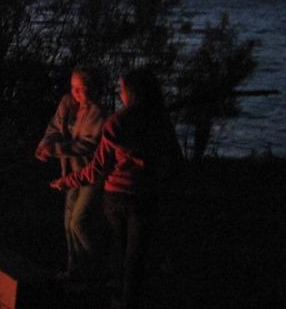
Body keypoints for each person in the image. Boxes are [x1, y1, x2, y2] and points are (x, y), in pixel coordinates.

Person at [53, 68, 183, 309]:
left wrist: (67, 180)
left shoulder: (117, 121)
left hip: (117, 196)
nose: (120, 94)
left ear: (131, 93)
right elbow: (175, 160)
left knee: (120, 252)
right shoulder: (161, 122)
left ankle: (115, 296)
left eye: (122, 90)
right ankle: (126, 299)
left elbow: (97, 167)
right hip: (145, 196)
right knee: (137, 255)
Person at [35, 67, 107, 279]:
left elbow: (86, 145)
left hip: (91, 174)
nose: (75, 93)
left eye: (80, 89)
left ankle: (98, 268)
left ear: (92, 89)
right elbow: (54, 127)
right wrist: (44, 145)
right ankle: (74, 271)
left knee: (78, 222)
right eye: (73, 87)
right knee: (68, 223)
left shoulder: (98, 114)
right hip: (70, 172)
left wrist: (56, 150)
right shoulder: (67, 103)